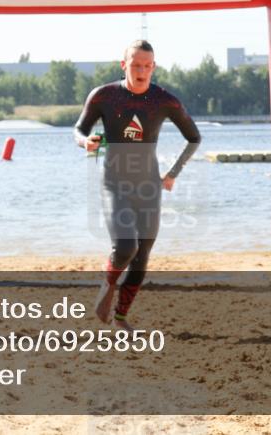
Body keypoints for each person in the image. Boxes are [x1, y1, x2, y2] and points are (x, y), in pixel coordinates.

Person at [74, 40, 201, 330]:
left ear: (153, 67)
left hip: (149, 189)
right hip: (114, 185)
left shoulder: (164, 100)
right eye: (135, 65)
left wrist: (173, 174)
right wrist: (85, 142)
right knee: (125, 246)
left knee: (142, 256)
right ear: (124, 65)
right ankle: (107, 284)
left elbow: (194, 138)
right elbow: (79, 129)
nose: (141, 71)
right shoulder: (104, 96)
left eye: (147, 66)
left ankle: (121, 317)